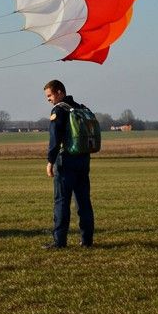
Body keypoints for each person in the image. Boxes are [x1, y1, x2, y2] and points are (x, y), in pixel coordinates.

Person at [43, 79, 93, 248]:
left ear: (59, 92)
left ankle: (59, 241)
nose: (48, 99)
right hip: (83, 159)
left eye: (49, 95)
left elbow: (55, 138)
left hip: (66, 161)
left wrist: (50, 161)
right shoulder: (79, 107)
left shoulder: (59, 110)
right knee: (84, 201)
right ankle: (87, 240)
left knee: (61, 201)